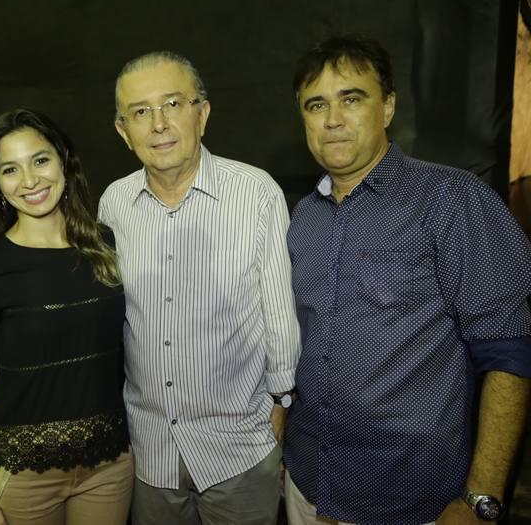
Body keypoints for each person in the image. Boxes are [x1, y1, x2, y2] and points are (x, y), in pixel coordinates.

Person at [283, 35, 531, 525]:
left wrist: (482, 498)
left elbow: (510, 353)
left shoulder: (452, 199)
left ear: (389, 107)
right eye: (316, 105)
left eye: (351, 98)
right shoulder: (302, 219)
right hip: (309, 483)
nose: (333, 119)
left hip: (413, 496)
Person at [99, 51, 301, 525]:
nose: (159, 124)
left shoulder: (255, 193)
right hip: (150, 453)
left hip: (240, 450)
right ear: (123, 131)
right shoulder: (114, 204)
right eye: (141, 112)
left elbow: (279, 312)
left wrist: (282, 402)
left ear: (203, 113)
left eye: (173, 104)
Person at [0, 109, 133, 525]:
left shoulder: (105, 245)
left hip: (109, 468)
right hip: (24, 476)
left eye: (40, 160)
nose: (30, 180)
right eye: (10, 169)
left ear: (64, 162)